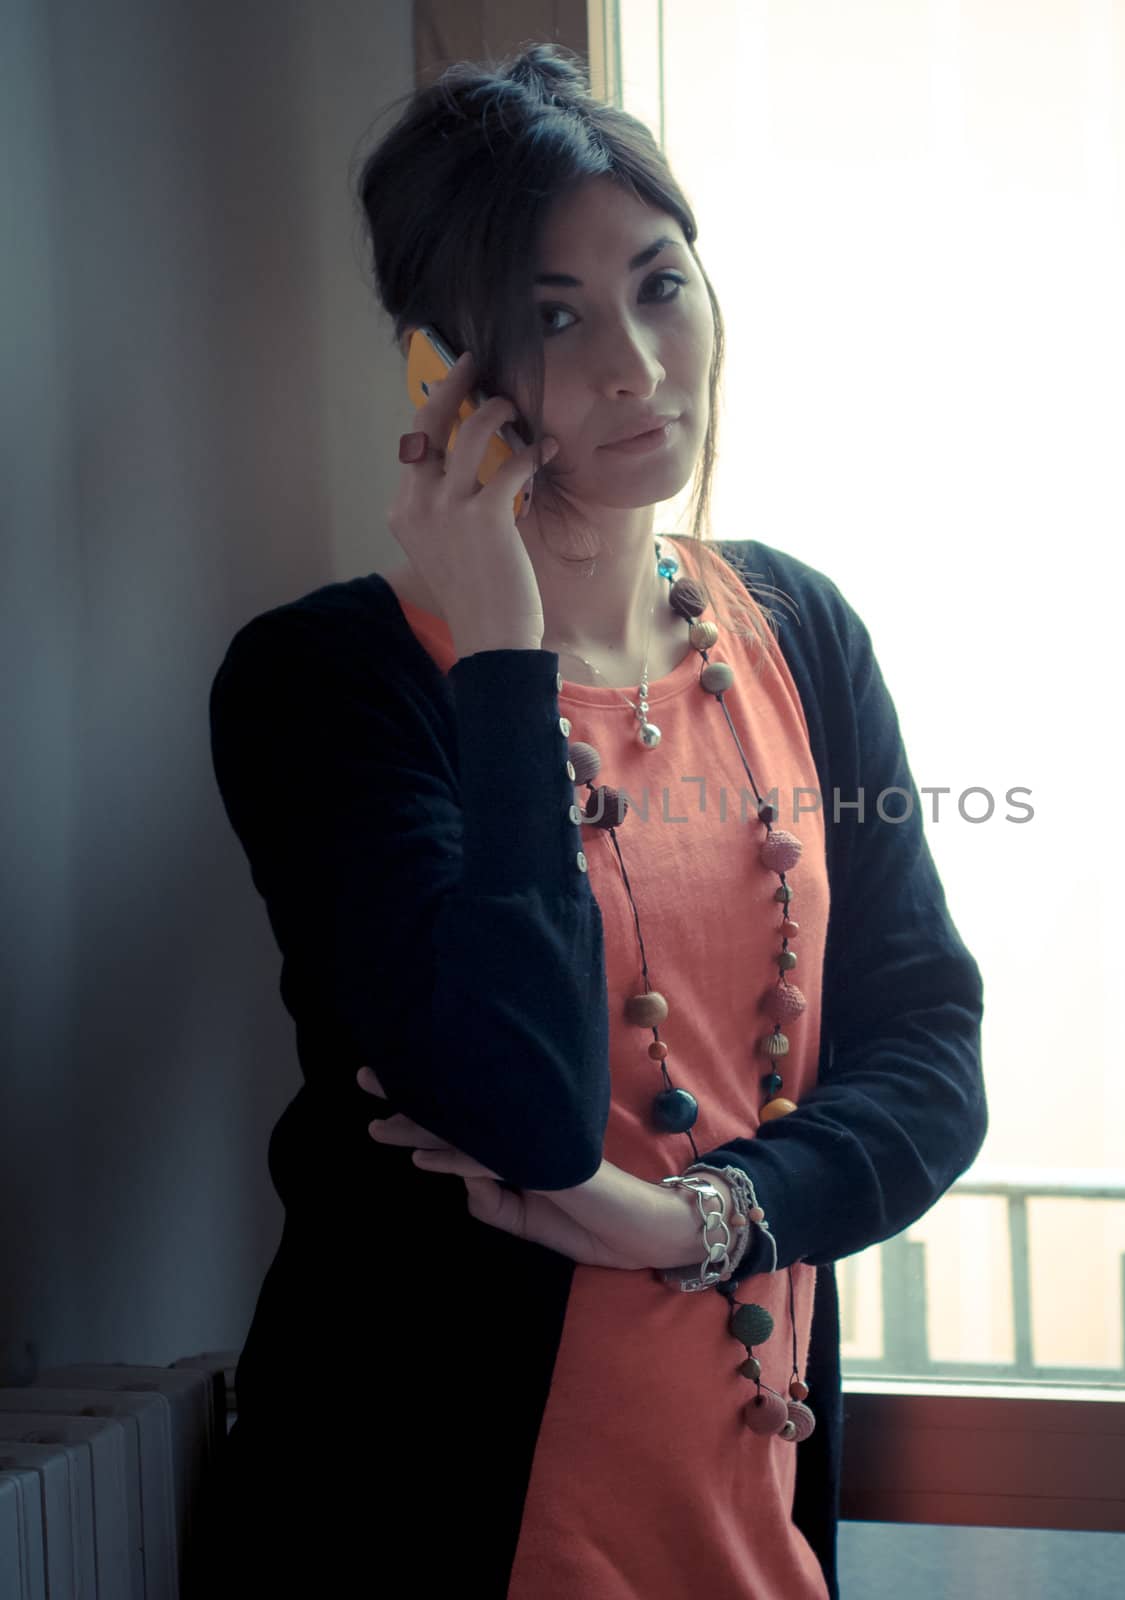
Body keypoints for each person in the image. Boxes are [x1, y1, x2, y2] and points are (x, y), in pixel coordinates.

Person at [205, 40, 985, 1600]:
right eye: (554, 317)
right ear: (450, 366)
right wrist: (502, 649)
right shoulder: (331, 689)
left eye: (659, 282)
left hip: (746, 1513)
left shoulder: (798, 632)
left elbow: (932, 1054)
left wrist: (689, 1220)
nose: (636, 361)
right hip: (434, 1518)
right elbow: (526, 1111)